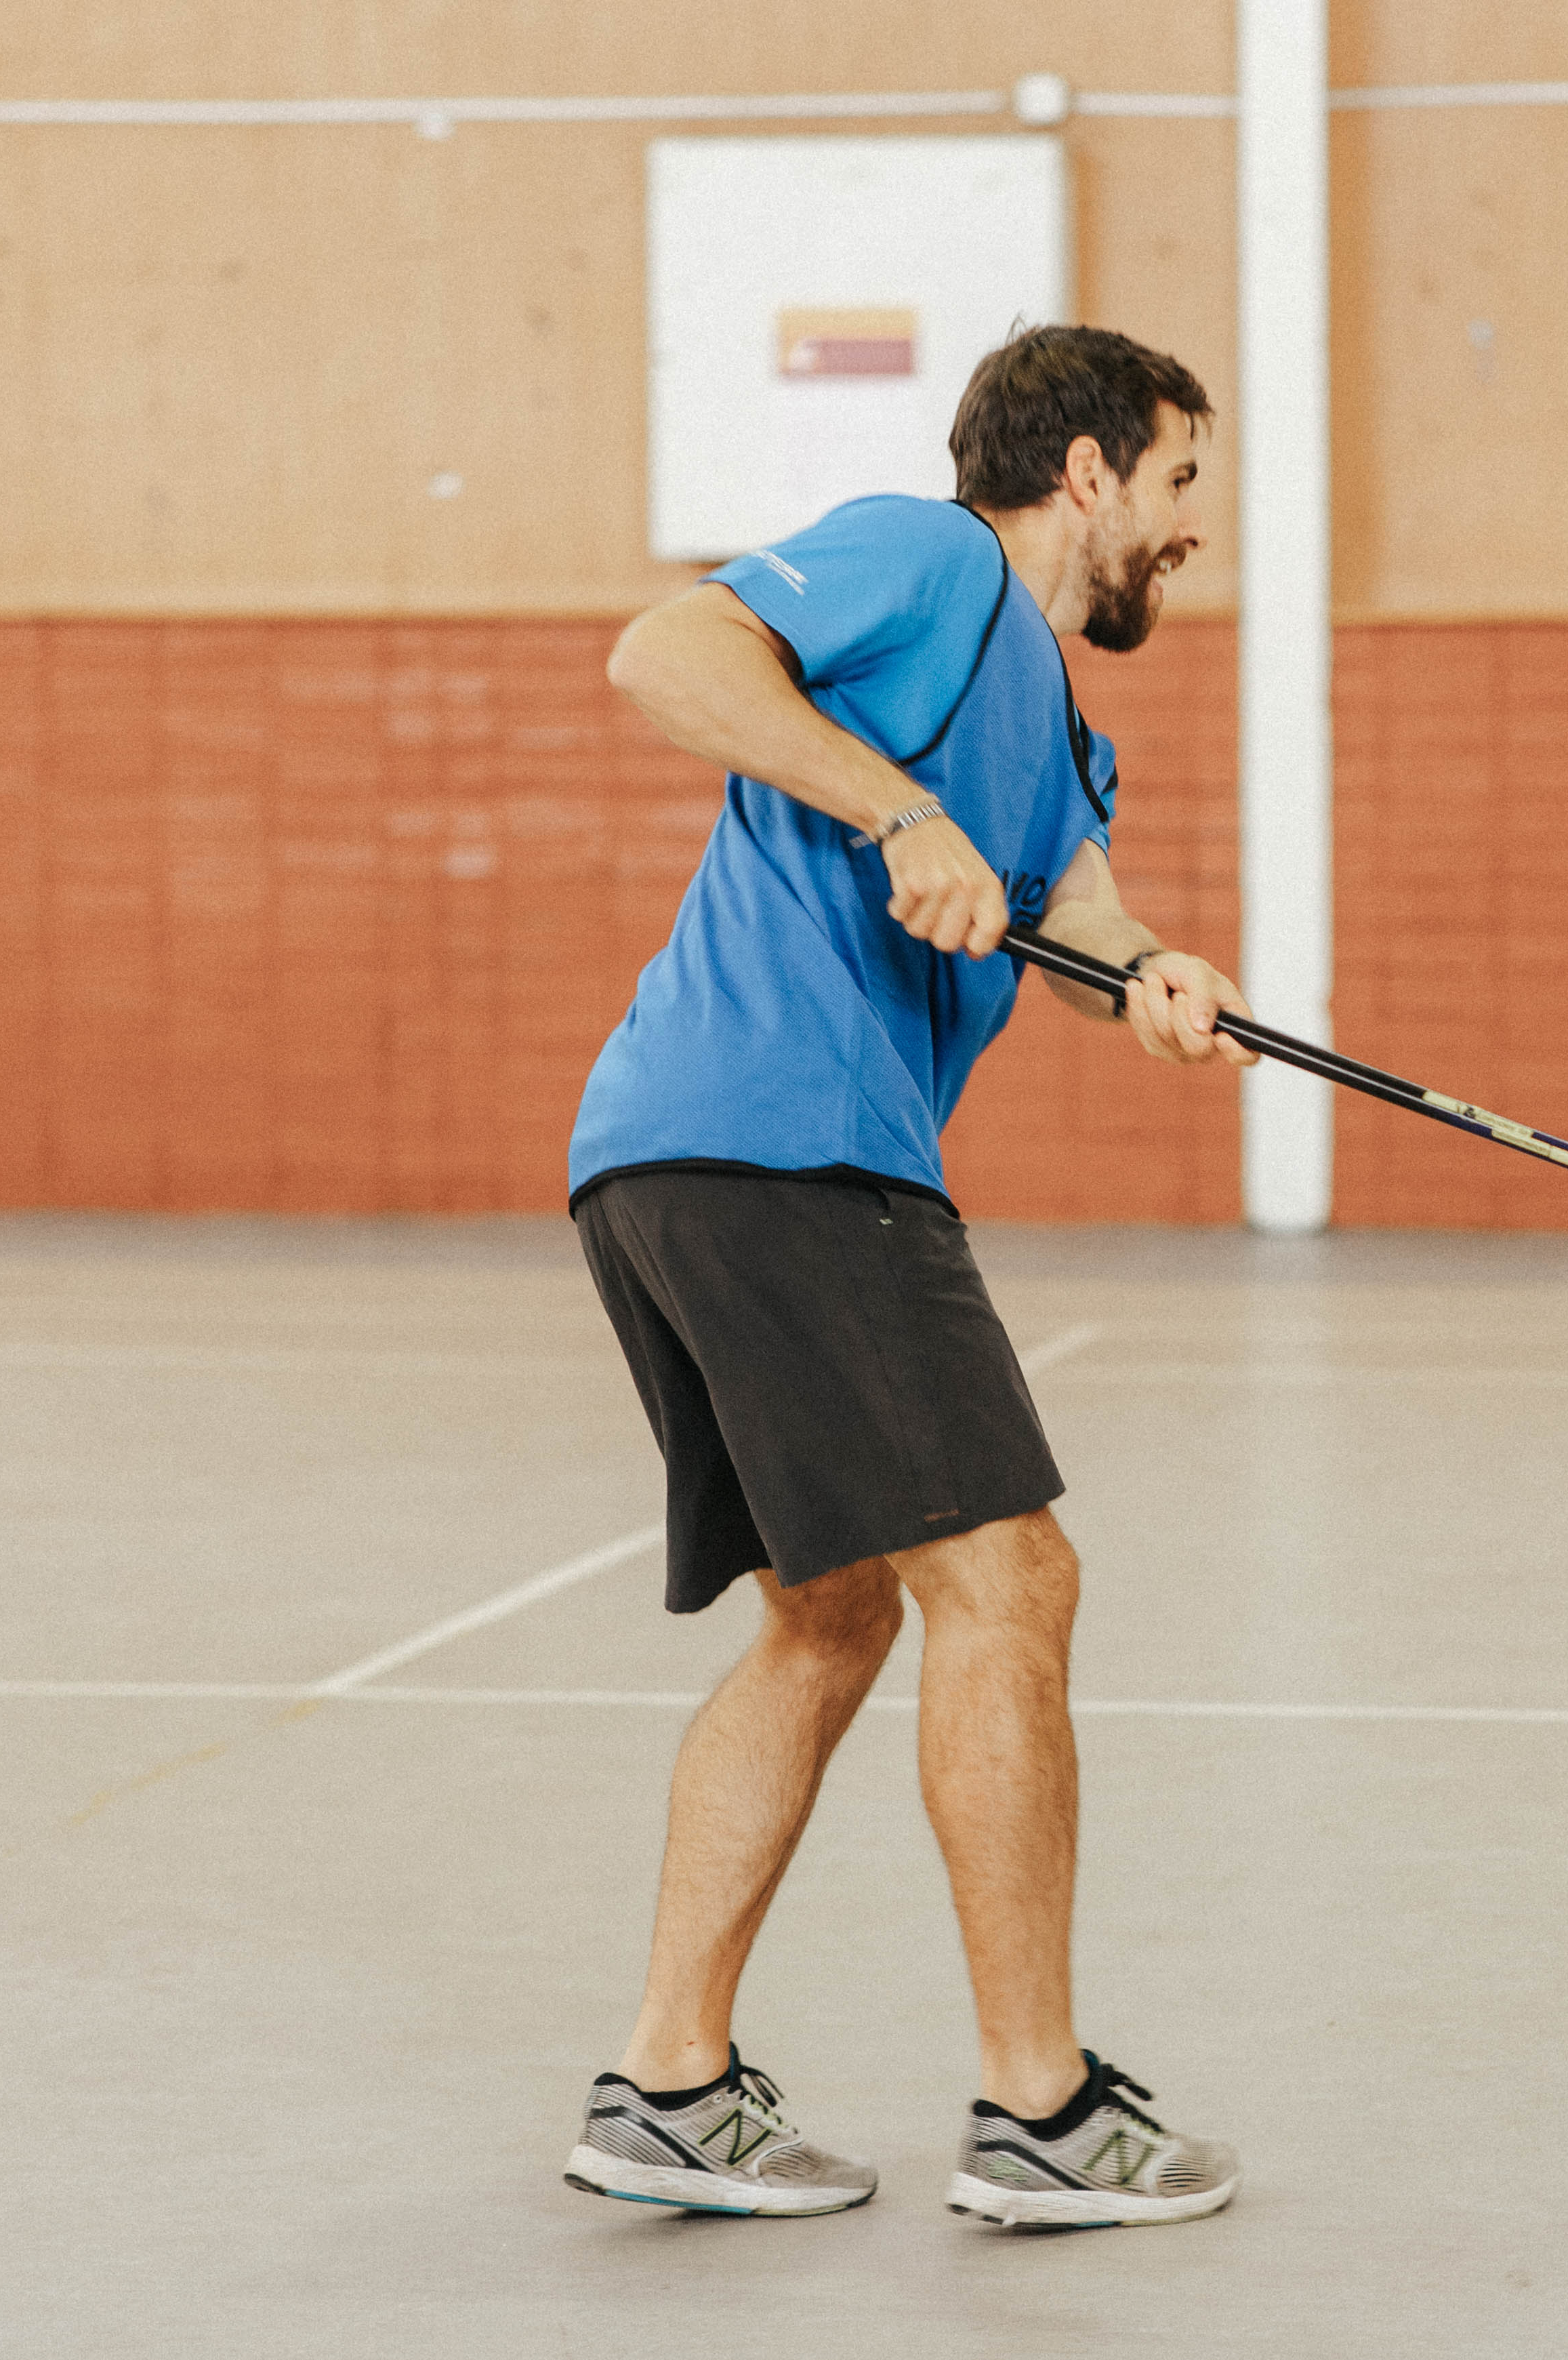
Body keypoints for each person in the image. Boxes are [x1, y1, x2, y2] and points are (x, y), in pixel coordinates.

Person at [554, 325, 1259, 2231]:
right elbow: (666, 651)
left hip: (692, 1159)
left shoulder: (1060, 714)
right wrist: (897, 806)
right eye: (1185, 481)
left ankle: (669, 2084)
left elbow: (1077, 908)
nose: (1198, 528)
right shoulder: (929, 557)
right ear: (1092, 469)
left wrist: (1158, 976)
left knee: (830, 1618)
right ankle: (1042, 2110)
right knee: (1010, 1579)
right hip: (783, 1140)